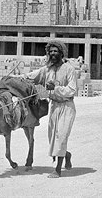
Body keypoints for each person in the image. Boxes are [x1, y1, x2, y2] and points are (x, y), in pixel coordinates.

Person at [17, 40, 77, 178]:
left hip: (67, 107)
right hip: (54, 106)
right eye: (51, 52)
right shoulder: (47, 69)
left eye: (56, 51)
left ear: (61, 53)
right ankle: (66, 155)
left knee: (61, 137)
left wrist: (55, 88)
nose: (53, 54)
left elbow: (72, 90)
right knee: (53, 138)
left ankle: (57, 170)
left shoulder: (69, 69)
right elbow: (32, 76)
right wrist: (16, 78)